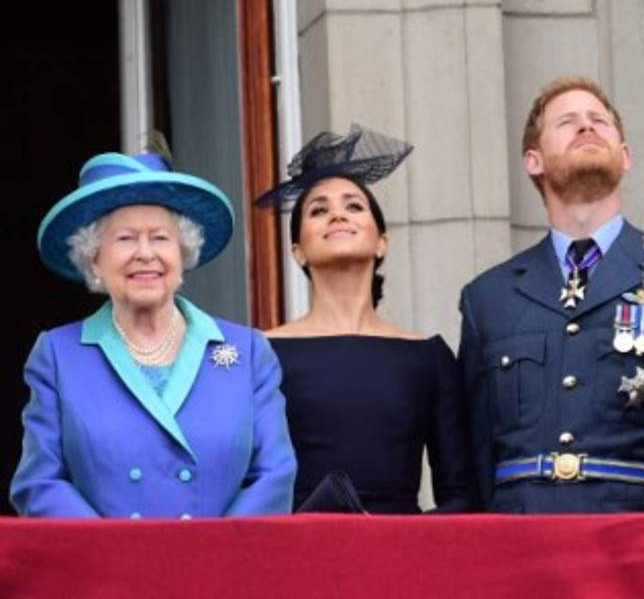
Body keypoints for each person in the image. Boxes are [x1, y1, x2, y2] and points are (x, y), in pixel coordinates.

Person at [12, 147, 296, 518]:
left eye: (160, 237)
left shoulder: (248, 351)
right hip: (105, 571)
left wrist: (217, 554)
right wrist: (119, 556)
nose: (145, 253)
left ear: (183, 254)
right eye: (125, 238)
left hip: (220, 567)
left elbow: (274, 476)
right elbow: (39, 484)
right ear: (94, 259)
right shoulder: (58, 354)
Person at [458, 77, 644, 512]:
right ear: (533, 160)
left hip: (637, 533)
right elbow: (475, 453)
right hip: (522, 539)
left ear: (626, 156)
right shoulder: (488, 297)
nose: (586, 127)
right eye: (567, 122)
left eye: (598, 121)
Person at [258, 125, 476, 514]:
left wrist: (409, 545)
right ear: (298, 251)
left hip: (401, 558)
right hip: (296, 554)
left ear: (382, 242)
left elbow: (460, 494)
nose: (337, 214)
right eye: (319, 210)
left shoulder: (429, 357)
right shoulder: (262, 352)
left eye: (354, 206)